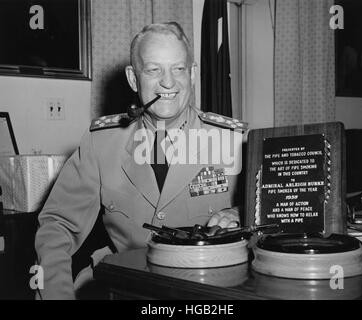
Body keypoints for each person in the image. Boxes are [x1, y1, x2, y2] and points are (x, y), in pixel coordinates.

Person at [35, 22, 247, 299]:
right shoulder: (101, 142)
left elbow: (281, 216)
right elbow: (57, 226)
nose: (168, 82)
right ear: (133, 79)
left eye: (178, 68)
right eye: (153, 69)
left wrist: (241, 213)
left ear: (193, 74)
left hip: (210, 293)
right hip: (122, 287)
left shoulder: (234, 141)